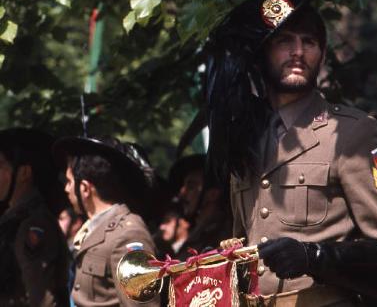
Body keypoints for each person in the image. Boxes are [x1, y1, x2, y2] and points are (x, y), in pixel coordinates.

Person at [203, 0, 377, 305]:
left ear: (323, 55)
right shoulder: (245, 137)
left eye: (309, 42)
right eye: (284, 40)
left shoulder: (352, 133)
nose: (298, 51)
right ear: (263, 53)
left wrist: (315, 256)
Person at [52, 136, 160, 307]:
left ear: (85, 188)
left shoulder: (128, 234)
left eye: (70, 182)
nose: (66, 189)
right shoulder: (91, 231)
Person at [0, 127, 71, 306]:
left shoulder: (33, 224)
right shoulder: (12, 220)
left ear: (24, 173)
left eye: (0, 165)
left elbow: (42, 299)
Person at [166, 154, 232, 257]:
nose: (182, 192)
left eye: (191, 186)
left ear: (213, 194)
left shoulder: (222, 237)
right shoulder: (198, 232)